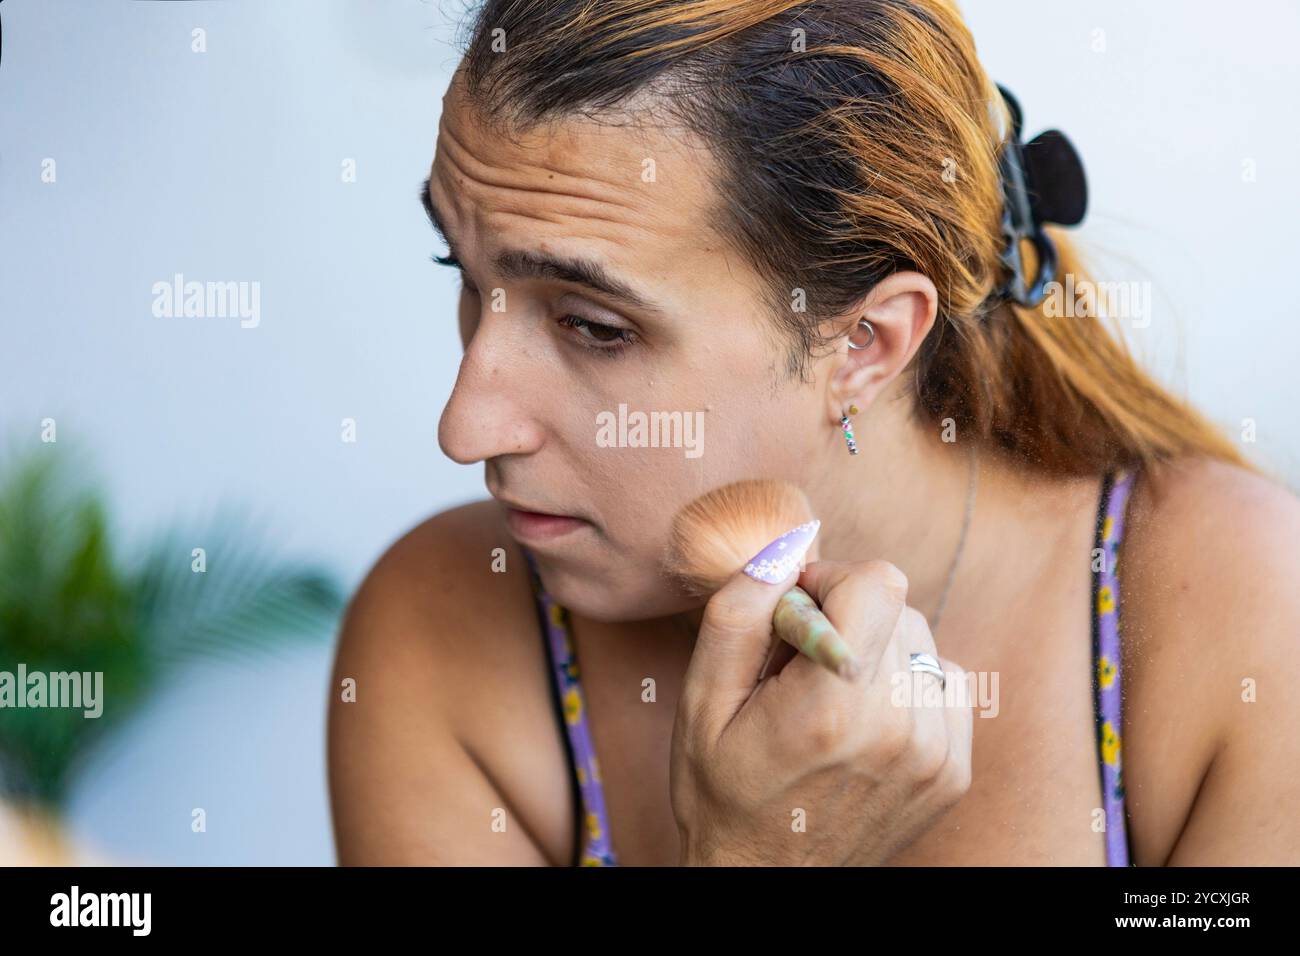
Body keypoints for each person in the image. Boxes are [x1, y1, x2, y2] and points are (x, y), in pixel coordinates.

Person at [327, 0, 1300, 866]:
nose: (465, 425)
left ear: (866, 346)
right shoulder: (447, 633)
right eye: (461, 271)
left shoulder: (1244, 621)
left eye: (593, 325)